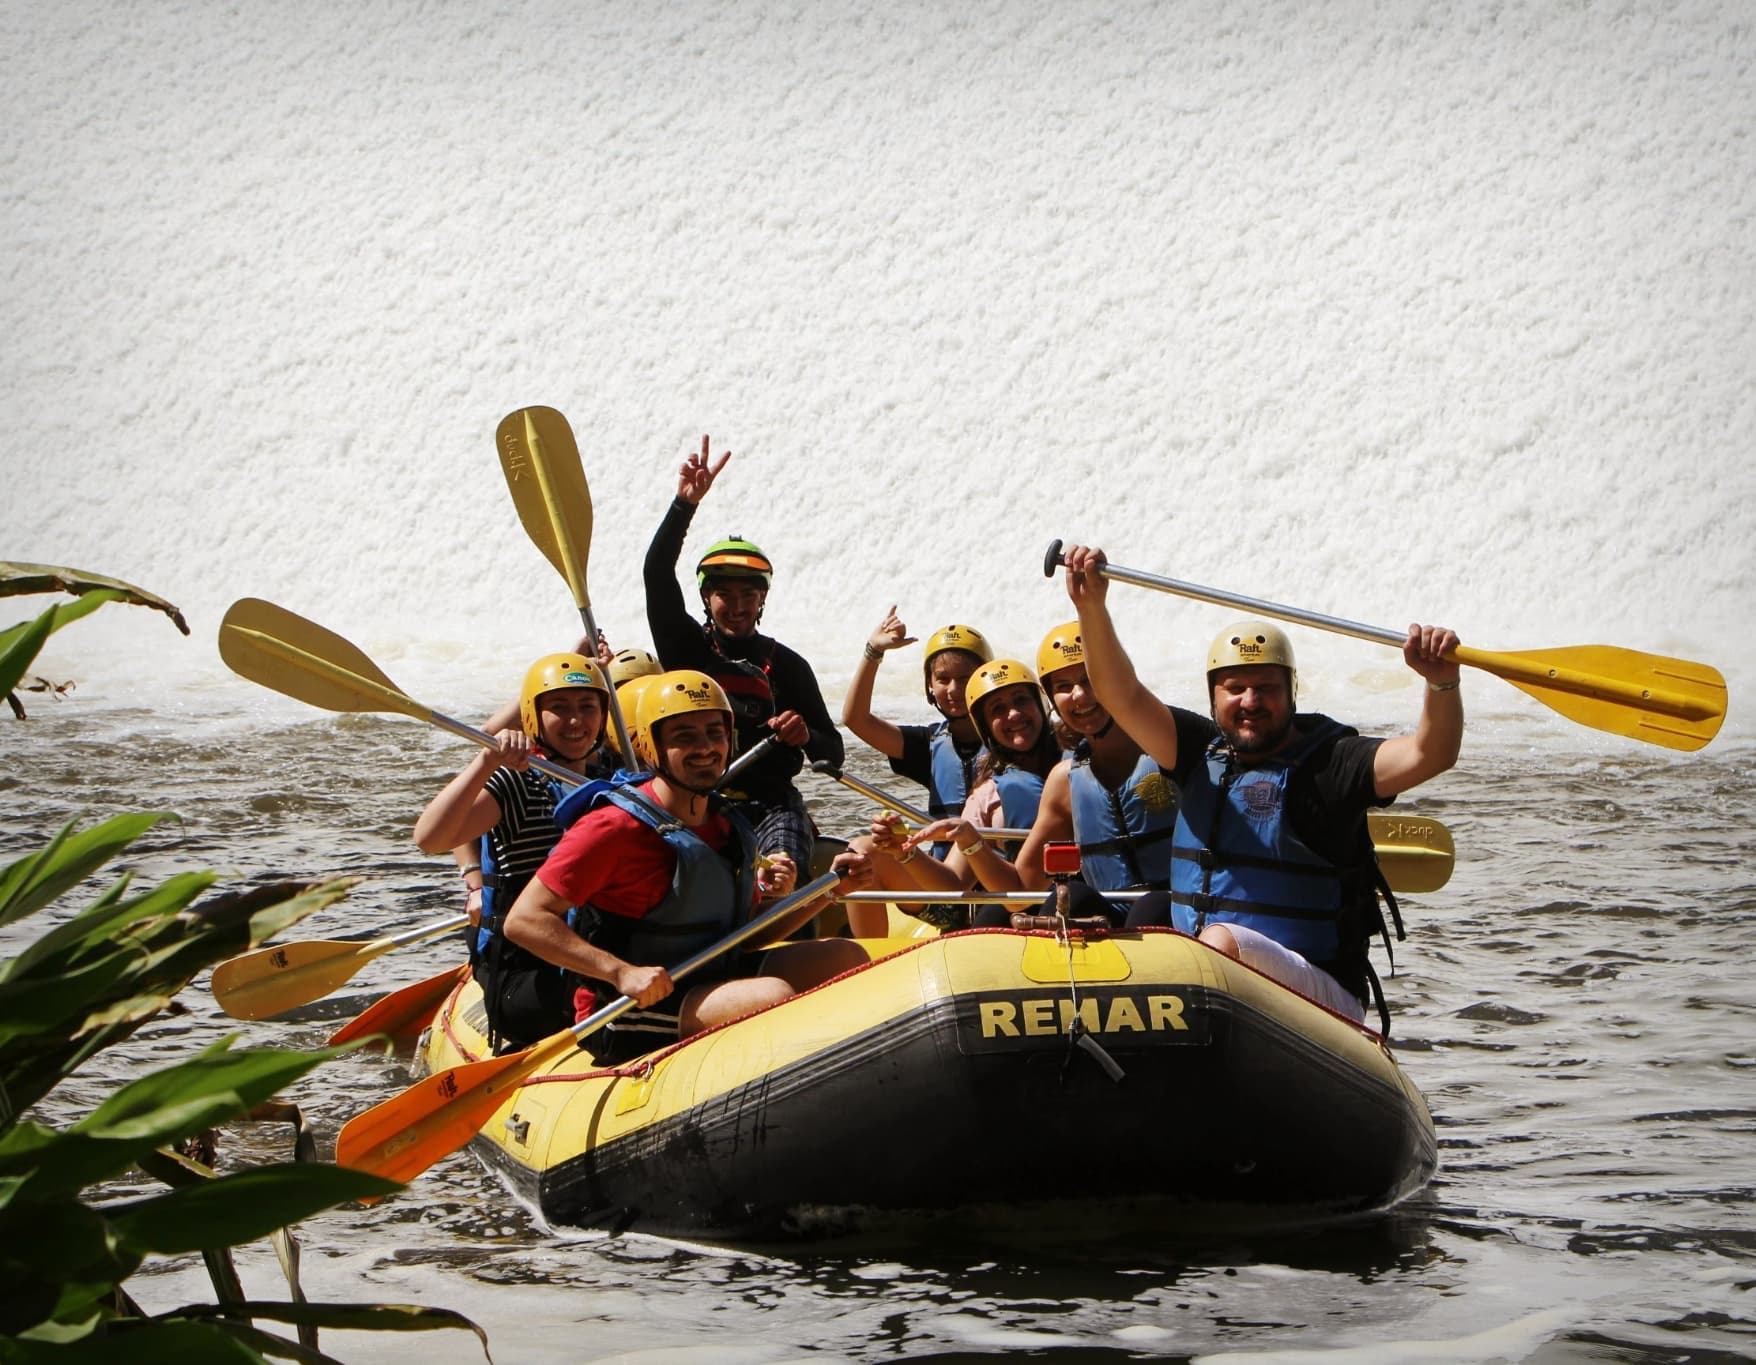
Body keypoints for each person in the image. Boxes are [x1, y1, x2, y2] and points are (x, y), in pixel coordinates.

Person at [1060, 544, 1463, 1025]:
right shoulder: (1195, 753)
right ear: (1213, 696)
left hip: (1320, 998)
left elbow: (1429, 752)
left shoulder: (1331, 765)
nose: (1251, 701)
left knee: (1221, 944)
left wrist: (1441, 684)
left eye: (1266, 688)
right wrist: (1091, 607)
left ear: (1290, 692)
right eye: (1235, 688)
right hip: (1214, 990)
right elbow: (1120, 694)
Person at [504, 670, 867, 1062]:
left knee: (846, 957)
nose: (706, 748)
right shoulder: (612, 826)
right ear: (651, 745)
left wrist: (826, 893)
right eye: (684, 736)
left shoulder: (725, 821)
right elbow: (524, 920)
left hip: (711, 974)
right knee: (773, 995)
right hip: (629, 1005)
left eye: (715, 733)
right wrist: (620, 972)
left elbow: (747, 935)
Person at [644, 436, 843, 884]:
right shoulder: (685, 650)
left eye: (748, 595)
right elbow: (656, 575)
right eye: (724, 595)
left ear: (762, 599)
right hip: (696, 801)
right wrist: (683, 505)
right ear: (706, 597)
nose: (737, 606)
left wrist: (803, 733)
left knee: (779, 874)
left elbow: (833, 751)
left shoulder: (789, 666)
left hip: (772, 804)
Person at [915, 622, 1179, 925]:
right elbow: (1018, 888)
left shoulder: (1165, 742)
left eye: (1021, 701)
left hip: (1171, 904)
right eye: (1065, 687)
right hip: (1102, 908)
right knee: (1060, 901)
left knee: (1151, 907)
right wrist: (966, 842)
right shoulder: (1061, 781)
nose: (1079, 696)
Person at [415, 653, 612, 1051]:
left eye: (587, 707)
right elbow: (430, 838)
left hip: (585, 953)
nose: (575, 721)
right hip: (523, 974)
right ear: (533, 717)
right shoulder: (518, 782)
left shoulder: (609, 783)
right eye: (559, 708)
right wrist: (488, 759)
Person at [846, 657, 1062, 934]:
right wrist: (904, 852)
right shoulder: (985, 794)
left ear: (1042, 706)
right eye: (998, 709)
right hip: (1013, 905)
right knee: (990, 917)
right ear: (984, 727)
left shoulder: (1080, 763)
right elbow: (954, 883)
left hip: (1085, 898)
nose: (1013, 715)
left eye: (1021, 701)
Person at [841, 613, 991, 831]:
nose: (954, 689)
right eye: (943, 679)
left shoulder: (1011, 736)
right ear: (929, 684)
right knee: (865, 848)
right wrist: (874, 651)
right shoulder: (927, 745)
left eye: (964, 678)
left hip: (999, 861)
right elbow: (856, 719)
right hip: (946, 863)